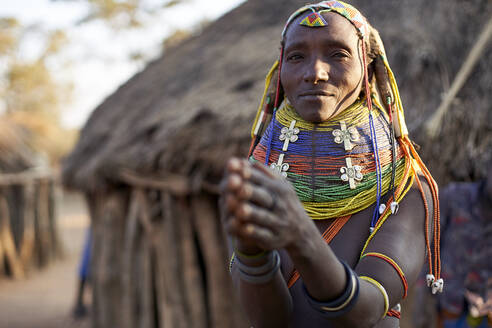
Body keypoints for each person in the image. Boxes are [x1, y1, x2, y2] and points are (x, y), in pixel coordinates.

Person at [220, 1, 441, 327]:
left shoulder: (404, 185)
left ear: (367, 64)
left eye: (338, 54)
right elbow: (271, 321)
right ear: (281, 67)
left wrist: (300, 235)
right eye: (296, 57)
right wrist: (252, 252)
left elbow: (362, 311)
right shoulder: (257, 179)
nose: (315, 72)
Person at [416, 165, 492, 328]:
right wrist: (422, 303)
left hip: (483, 314)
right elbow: (427, 245)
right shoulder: (455, 197)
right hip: (444, 306)